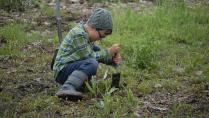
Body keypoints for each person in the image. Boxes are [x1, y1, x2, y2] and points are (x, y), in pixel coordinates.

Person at [53, 8, 122, 100]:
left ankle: (77, 85)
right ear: (93, 27)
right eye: (101, 35)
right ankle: (67, 87)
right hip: (62, 71)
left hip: (69, 68)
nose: (101, 39)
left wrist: (111, 60)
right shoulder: (78, 34)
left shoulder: (87, 36)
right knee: (91, 63)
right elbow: (90, 56)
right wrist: (108, 52)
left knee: (93, 61)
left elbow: (98, 53)